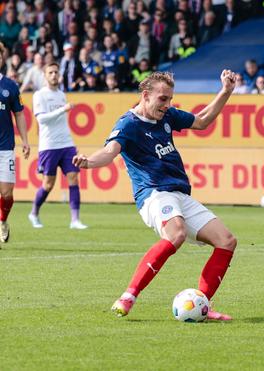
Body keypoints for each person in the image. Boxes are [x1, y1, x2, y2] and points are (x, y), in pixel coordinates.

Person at [72, 70, 239, 319]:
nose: (167, 105)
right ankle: (128, 296)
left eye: (170, 99)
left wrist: (225, 91)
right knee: (177, 233)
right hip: (153, 194)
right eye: (163, 99)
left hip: (179, 192)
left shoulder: (167, 115)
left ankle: (203, 305)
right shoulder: (128, 124)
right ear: (146, 95)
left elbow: (202, 121)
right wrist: (88, 161)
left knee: (227, 241)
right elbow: (109, 152)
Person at [28, 62, 87, 230]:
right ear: (45, 76)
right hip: (49, 145)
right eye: (51, 72)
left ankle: (75, 220)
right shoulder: (39, 95)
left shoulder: (61, 94)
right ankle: (34, 213)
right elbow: (41, 119)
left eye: (56, 72)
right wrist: (63, 109)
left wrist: (63, 109)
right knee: (48, 184)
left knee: (74, 178)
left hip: (67, 143)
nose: (54, 75)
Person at [0, 44, 30, 244]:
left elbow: (19, 114)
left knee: (6, 192)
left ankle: (3, 221)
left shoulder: (10, 86)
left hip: (5, 148)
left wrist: (25, 140)